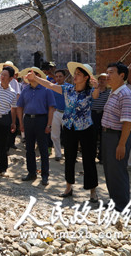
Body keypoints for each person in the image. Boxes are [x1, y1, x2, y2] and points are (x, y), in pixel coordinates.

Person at [28, 62, 98, 201]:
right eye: (75, 74)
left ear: (86, 78)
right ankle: (68, 187)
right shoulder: (68, 89)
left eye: (78, 74)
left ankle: (93, 192)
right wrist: (36, 78)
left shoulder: (90, 91)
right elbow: (51, 86)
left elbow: (96, 95)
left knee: (89, 160)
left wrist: (96, 86)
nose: (75, 76)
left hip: (86, 129)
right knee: (69, 158)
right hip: (69, 127)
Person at [100, 62, 131, 212]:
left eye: (111, 73)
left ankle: (122, 205)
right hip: (108, 136)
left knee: (118, 171)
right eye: (107, 72)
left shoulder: (125, 94)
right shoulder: (113, 92)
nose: (107, 76)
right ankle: (114, 201)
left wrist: (121, 144)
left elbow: (127, 122)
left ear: (122, 75)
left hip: (118, 137)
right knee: (110, 170)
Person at [17, 67, 56, 185]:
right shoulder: (25, 90)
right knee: (29, 148)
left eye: (32, 74)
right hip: (28, 120)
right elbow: (20, 106)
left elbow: (51, 108)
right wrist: (21, 123)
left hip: (41, 120)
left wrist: (49, 124)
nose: (29, 76)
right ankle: (31, 172)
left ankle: (45, 175)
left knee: (43, 149)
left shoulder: (47, 90)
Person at [0, 61, 22, 150]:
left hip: (11, 107)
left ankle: (11, 143)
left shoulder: (14, 82)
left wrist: (17, 106)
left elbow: (17, 94)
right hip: (0, 108)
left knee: (13, 125)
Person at [91, 73, 110, 163]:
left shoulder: (109, 92)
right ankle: (92, 155)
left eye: (104, 79)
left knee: (103, 136)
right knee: (92, 136)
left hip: (104, 114)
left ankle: (101, 156)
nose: (102, 81)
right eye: (100, 79)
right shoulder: (93, 90)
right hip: (93, 114)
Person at [50, 69, 66, 161]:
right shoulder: (52, 87)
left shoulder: (70, 87)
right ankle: (58, 154)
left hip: (67, 114)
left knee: (68, 135)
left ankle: (70, 154)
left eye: (60, 76)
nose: (58, 78)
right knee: (55, 135)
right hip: (55, 113)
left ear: (64, 77)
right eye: (57, 76)